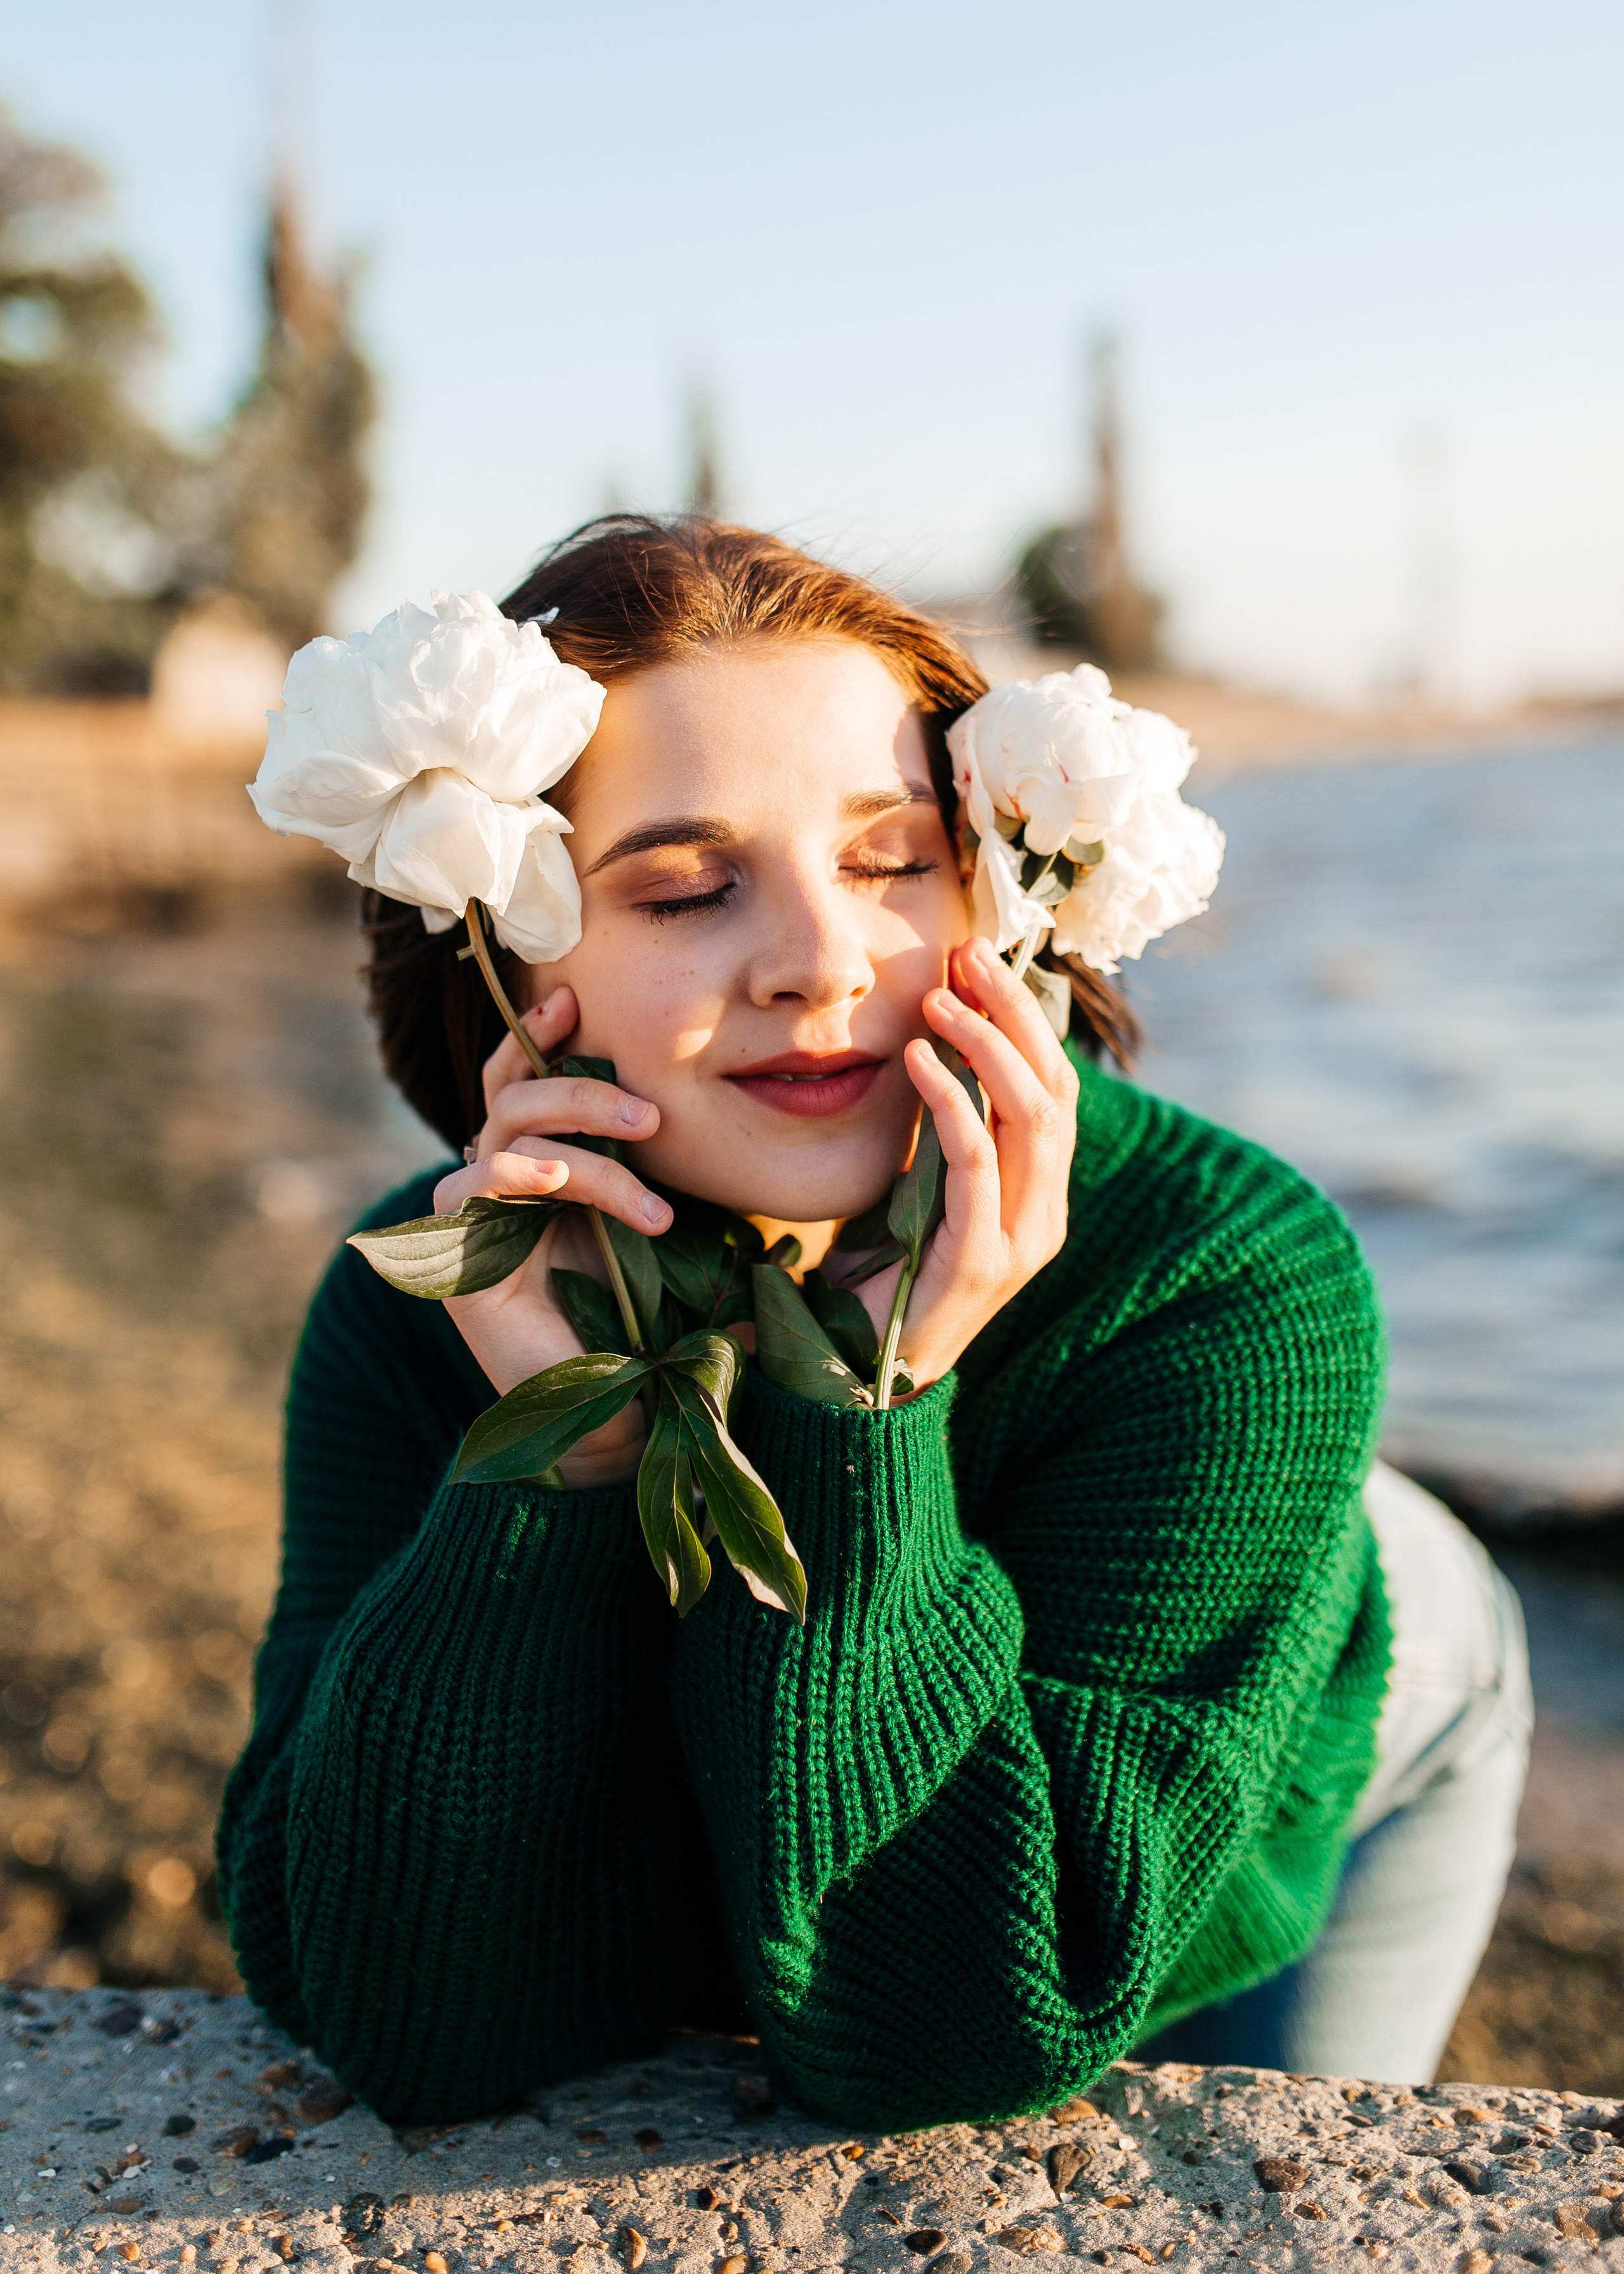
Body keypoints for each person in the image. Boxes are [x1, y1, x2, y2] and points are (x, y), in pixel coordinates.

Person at [218, 516, 1529, 2127]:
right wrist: (559, 1466)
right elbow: (405, 2020)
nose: (819, 962)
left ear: (995, 880)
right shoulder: (431, 1300)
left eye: (891, 858)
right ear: (493, 945)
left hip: (1378, 1685)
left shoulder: (1226, 1275)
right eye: (688, 888)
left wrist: (865, 1400)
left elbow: (947, 2034)